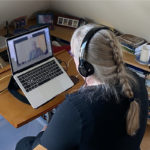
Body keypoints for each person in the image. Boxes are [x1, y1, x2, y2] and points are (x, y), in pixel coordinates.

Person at [16, 24, 148, 150]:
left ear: (84, 66)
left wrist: (43, 134)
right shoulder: (138, 82)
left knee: (23, 143)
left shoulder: (77, 108)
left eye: (73, 54)